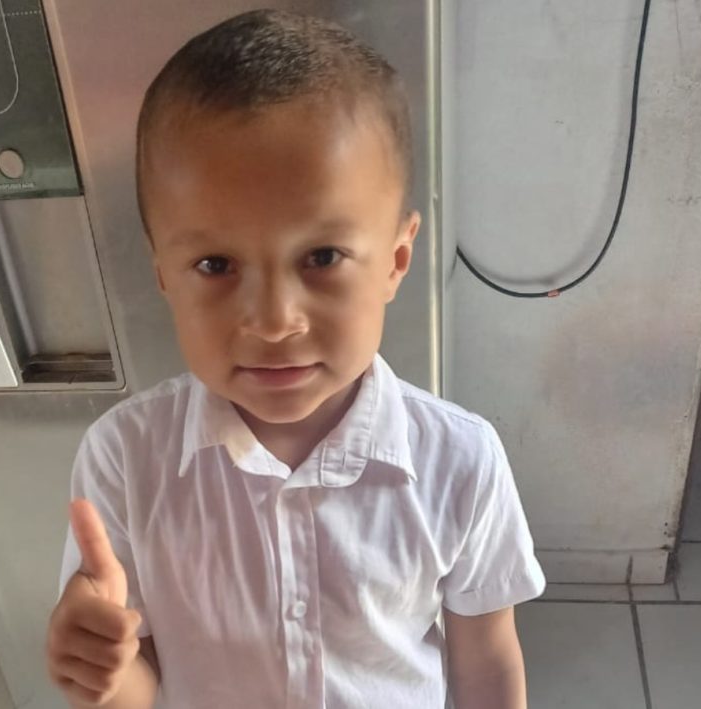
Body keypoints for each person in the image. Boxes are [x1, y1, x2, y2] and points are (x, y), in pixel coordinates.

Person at [46, 9, 545, 709]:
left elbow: (486, 660)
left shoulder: (461, 461)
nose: (275, 320)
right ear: (163, 273)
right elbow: (138, 682)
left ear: (396, 259)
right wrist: (102, 671)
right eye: (216, 264)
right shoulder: (126, 458)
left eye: (322, 257)